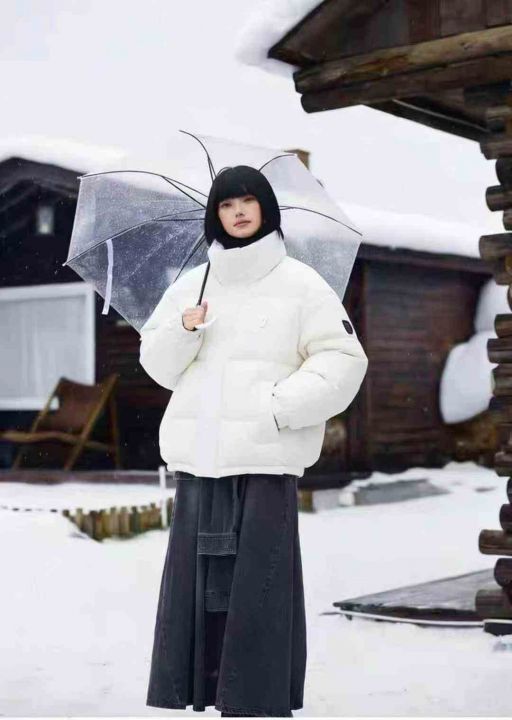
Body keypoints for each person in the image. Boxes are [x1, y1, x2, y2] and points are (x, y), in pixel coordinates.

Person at [140, 165, 369, 717]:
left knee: (259, 587)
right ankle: (201, 690)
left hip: (264, 461)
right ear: (214, 215)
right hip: (200, 460)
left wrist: (277, 408)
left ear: (266, 208)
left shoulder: (300, 283)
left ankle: (257, 701)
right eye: (226, 204)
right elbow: (158, 366)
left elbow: (344, 360)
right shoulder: (193, 284)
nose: (237, 212)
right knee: (196, 591)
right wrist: (183, 329)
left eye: (247, 201)